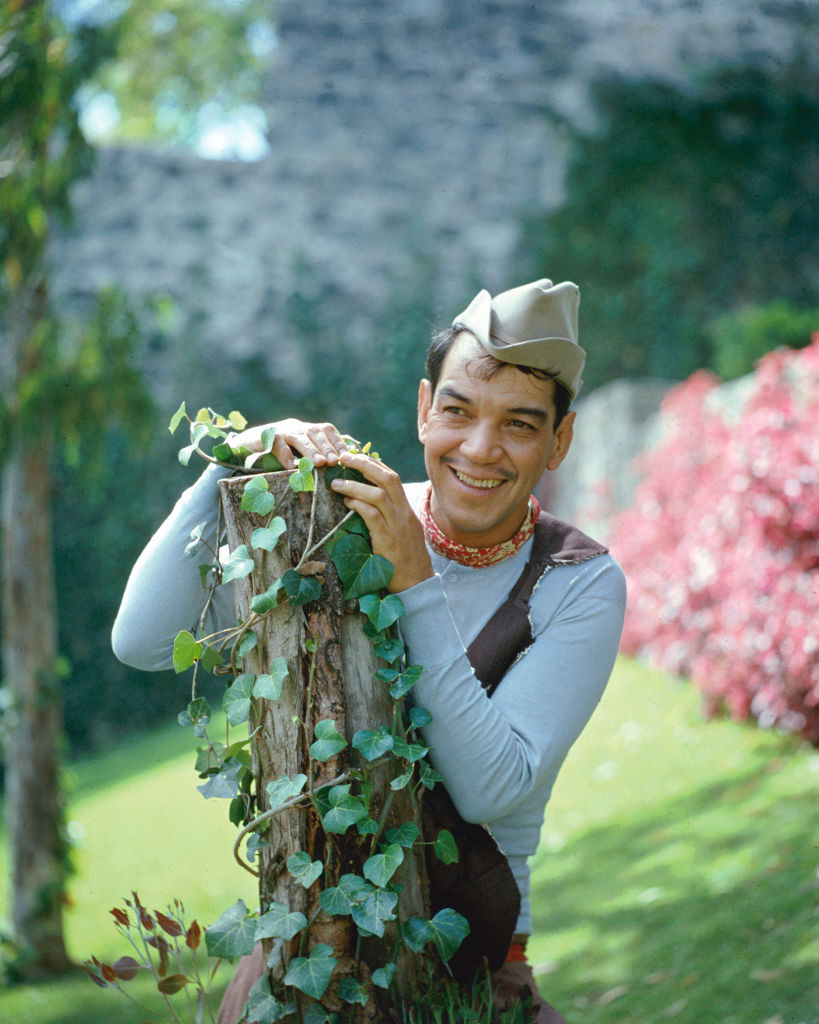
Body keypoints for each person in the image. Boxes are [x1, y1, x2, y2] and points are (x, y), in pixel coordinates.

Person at [112, 278, 627, 1023]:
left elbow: (491, 789)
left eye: (519, 424)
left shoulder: (578, 582)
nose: (479, 449)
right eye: (457, 411)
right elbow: (143, 642)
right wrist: (229, 463)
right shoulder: (338, 520)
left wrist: (414, 581)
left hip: (471, 968)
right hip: (305, 951)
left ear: (559, 440)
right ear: (423, 409)